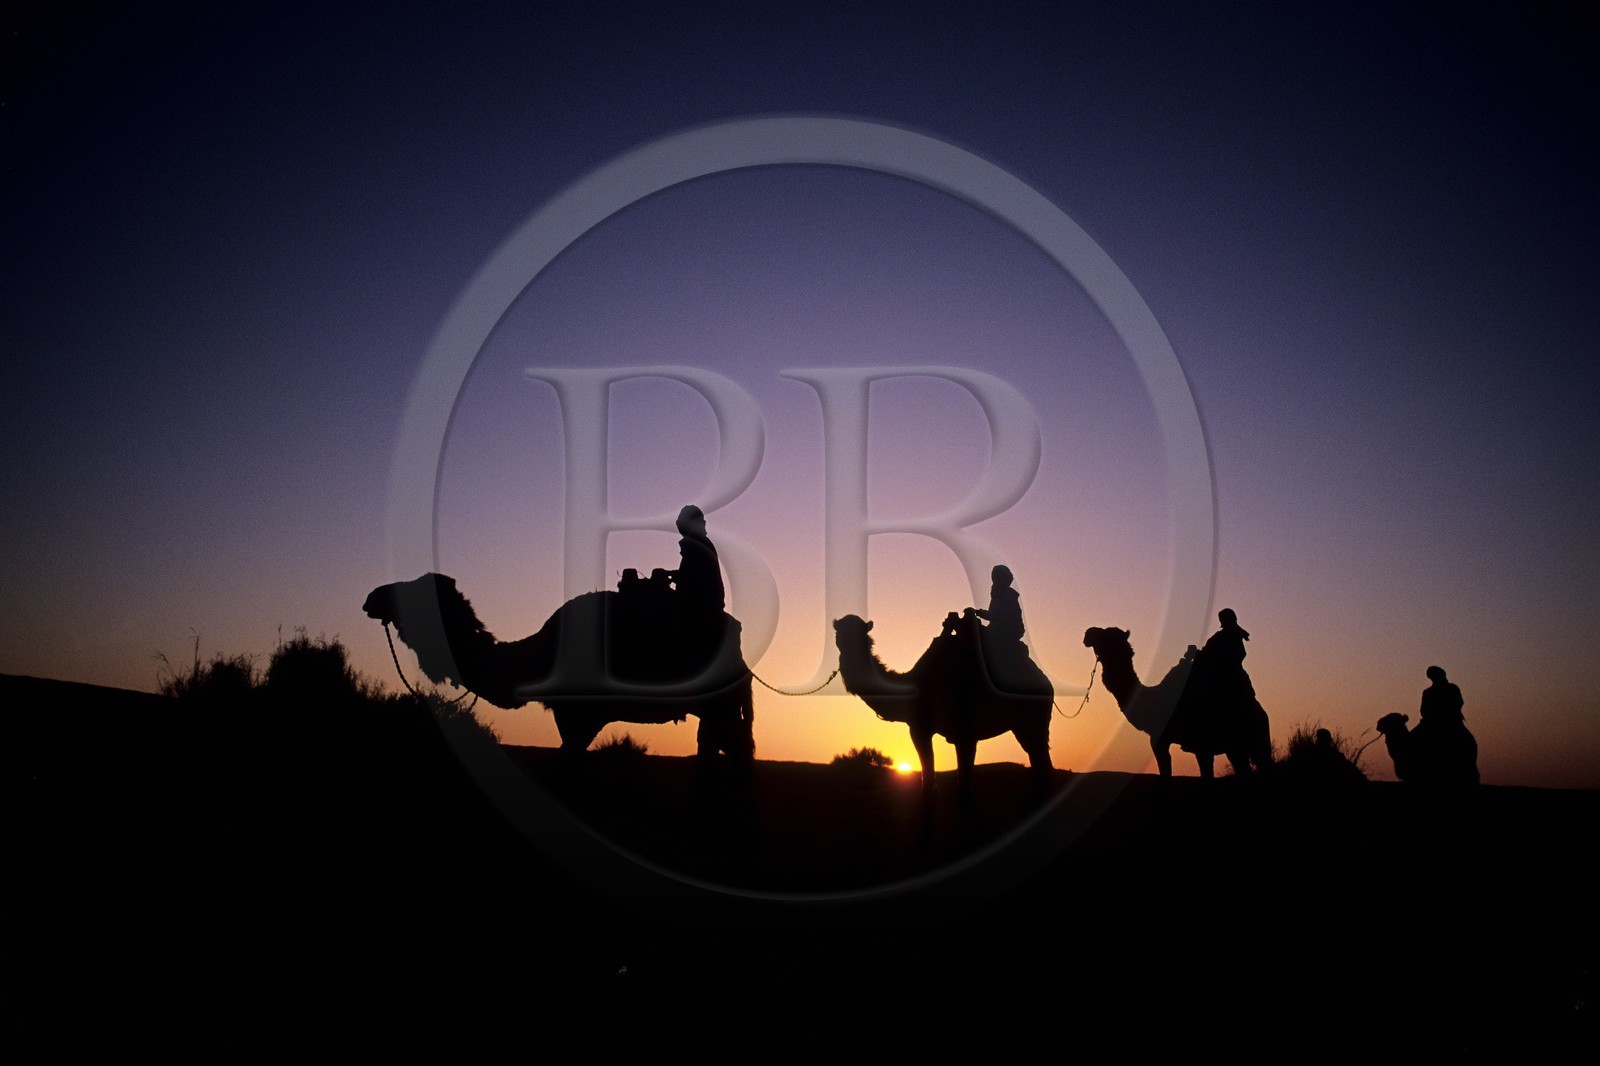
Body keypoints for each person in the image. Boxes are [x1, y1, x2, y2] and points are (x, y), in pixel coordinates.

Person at [975, 564, 1025, 644]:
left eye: (997, 577)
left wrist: (980, 613)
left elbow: (999, 616)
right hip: (999, 630)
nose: (995, 580)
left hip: (1007, 633)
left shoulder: (1008, 595)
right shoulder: (997, 594)